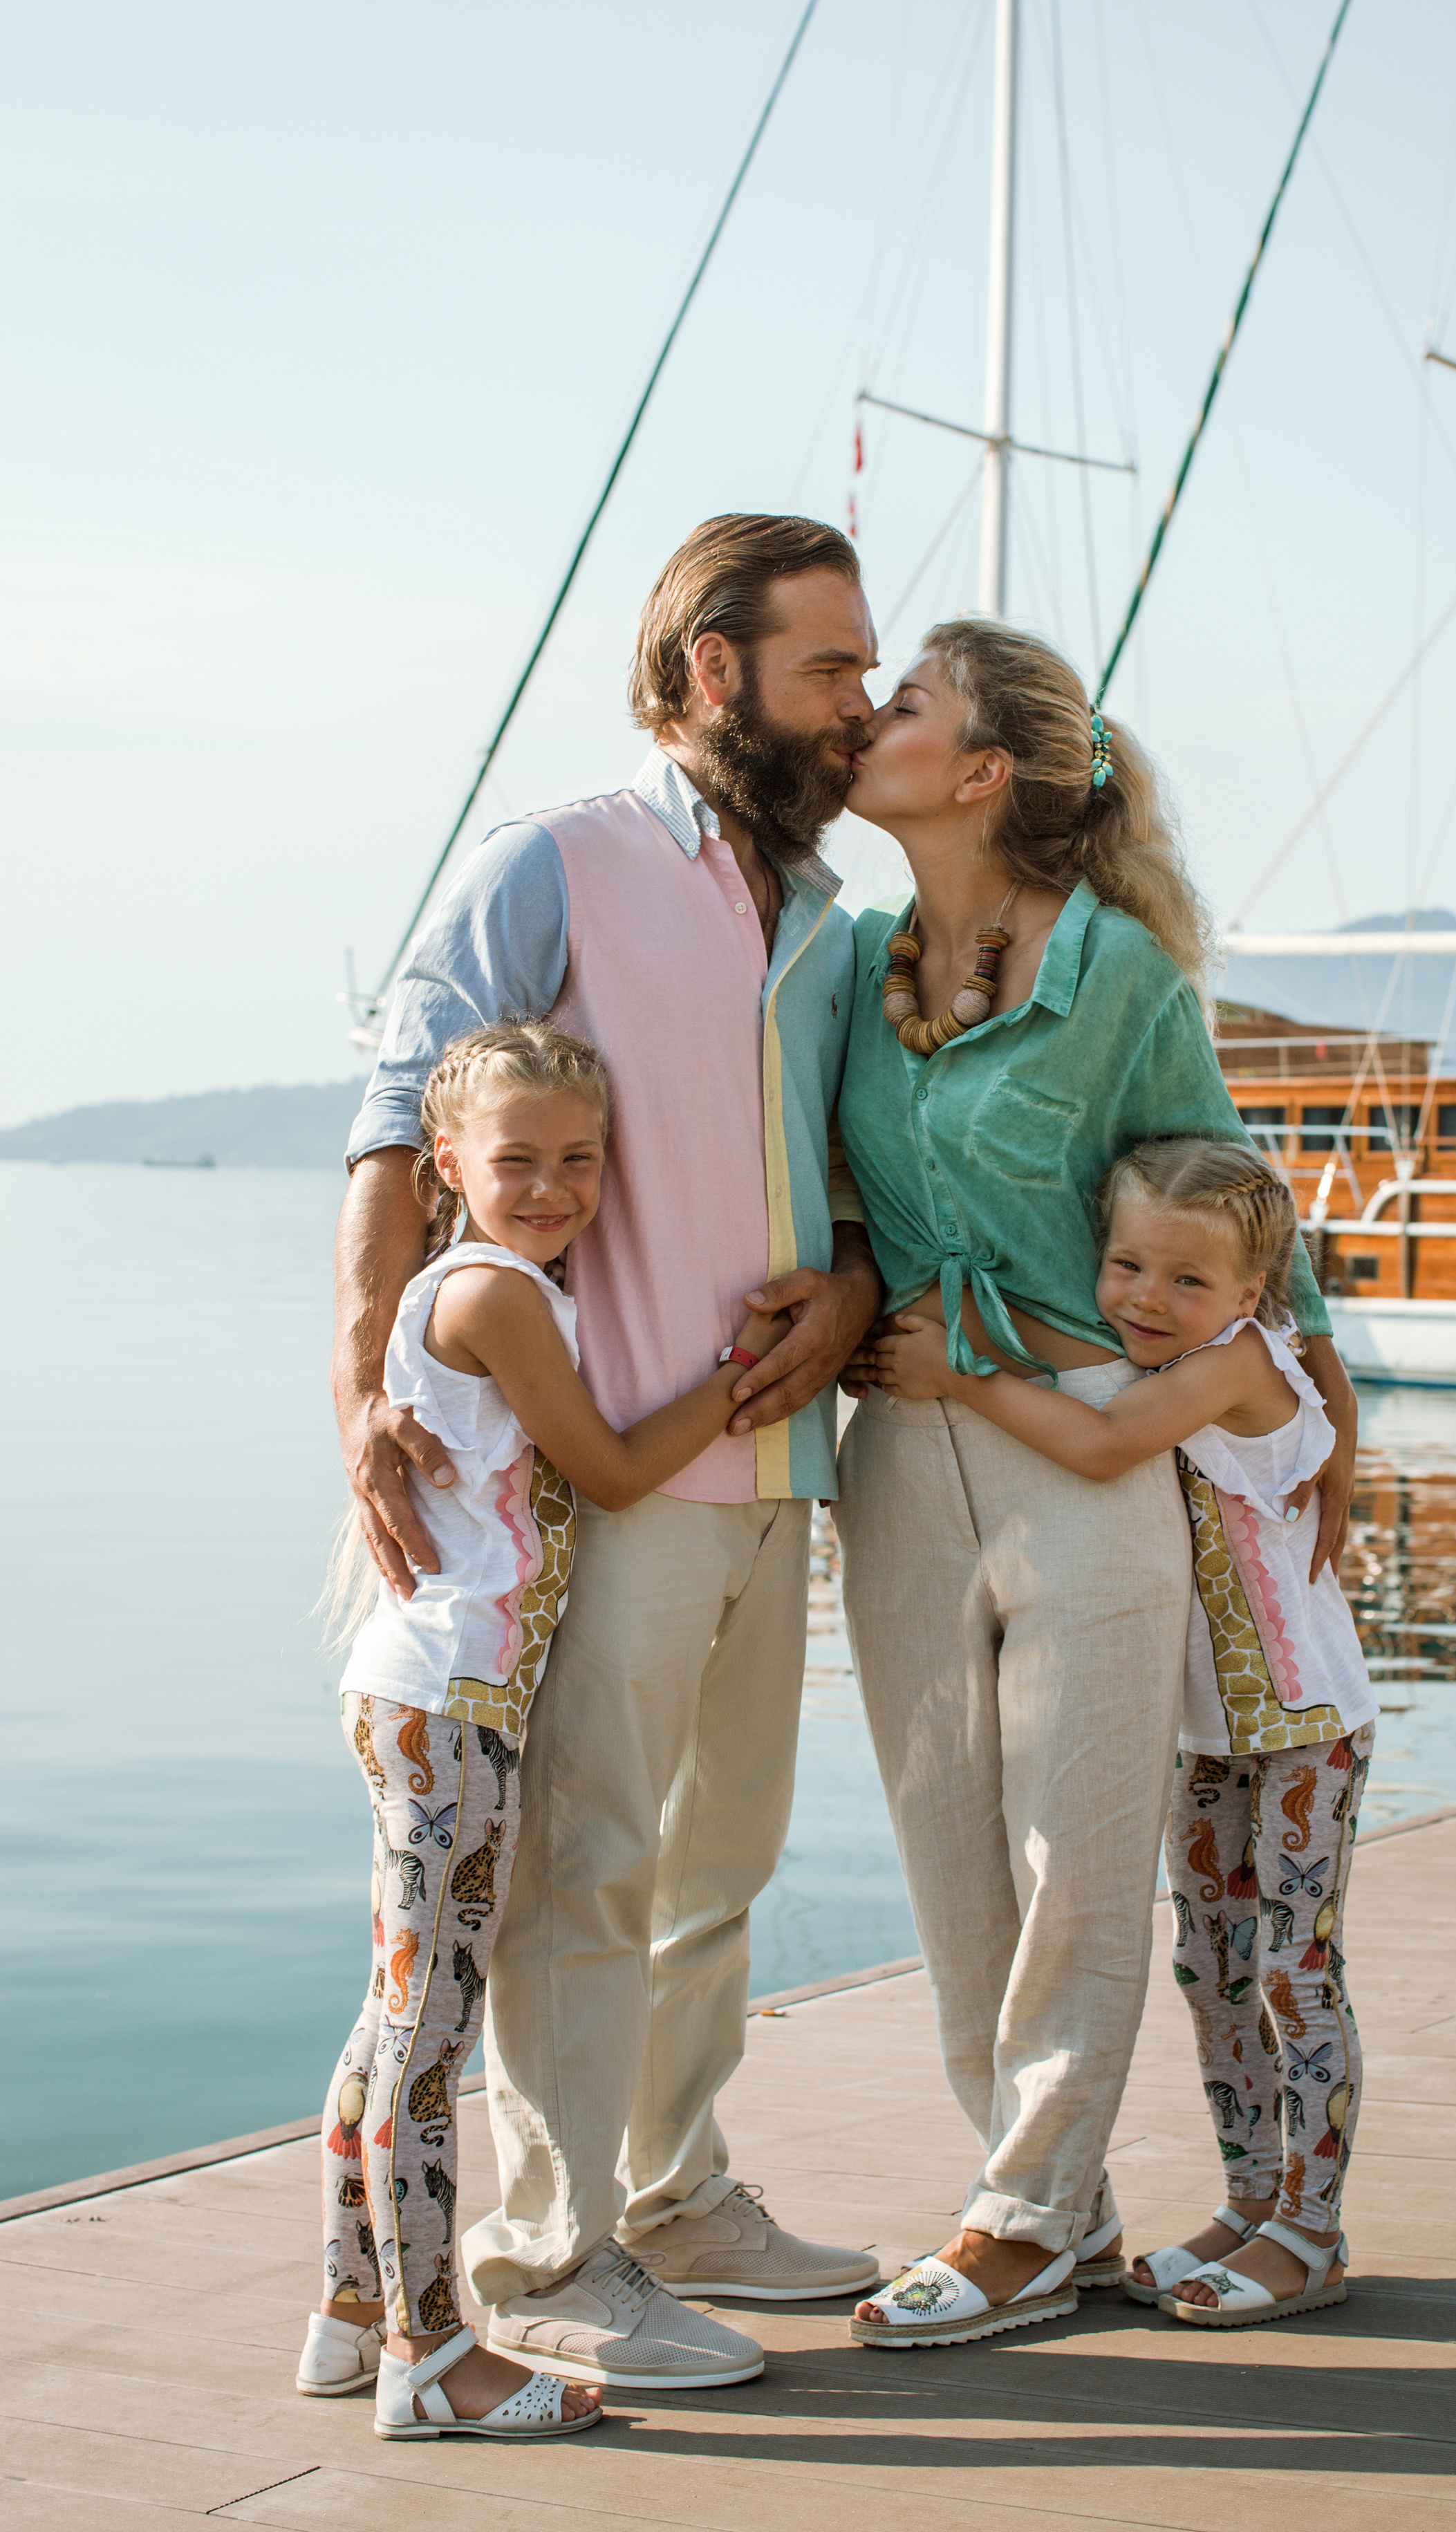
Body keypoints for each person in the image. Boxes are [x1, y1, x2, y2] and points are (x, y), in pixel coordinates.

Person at [333, 517, 884, 2394]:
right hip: (614, 1476)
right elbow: (403, 1098)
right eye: (830, 670)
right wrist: (361, 1378)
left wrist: (855, 1291)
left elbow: (836, 1167)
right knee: (591, 1869)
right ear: (716, 670)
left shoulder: (821, 915)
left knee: (719, 1861)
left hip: (778, 1462)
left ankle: (674, 2189)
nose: (859, 708)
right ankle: (540, 2259)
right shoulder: (556, 855)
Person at [825, 617, 1357, 2350]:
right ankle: (1048, 2204)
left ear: (980, 771)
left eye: (901, 703)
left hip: (1080, 1443)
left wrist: (1326, 1416)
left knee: (1075, 1848)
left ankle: (1017, 2218)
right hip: (896, 1449)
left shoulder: (1115, 970)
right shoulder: (847, 961)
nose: (867, 717)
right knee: (948, 1852)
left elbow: (1238, 1200)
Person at [304, 1019, 792, 2437]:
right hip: (446, 1697)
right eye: (516, 1159)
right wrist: (744, 1372)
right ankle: (432, 2360)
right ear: (444, 1163)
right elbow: (617, 1469)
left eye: (581, 1160)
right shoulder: (489, 1295)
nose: (553, 1186)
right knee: (428, 2030)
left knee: (396, 2016)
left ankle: (350, 2314)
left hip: (444, 1697)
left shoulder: (511, 1286)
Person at [868, 1134, 1376, 2331]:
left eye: (1187, 1282)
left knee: (1295, 1972)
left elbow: (1098, 1442)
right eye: (1127, 1266)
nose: (1148, 1300)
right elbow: (1071, 1348)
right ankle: (1250, 2203)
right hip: (1206, 1734)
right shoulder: (1171, 1346)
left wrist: (959, 1378)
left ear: (1253, 1296)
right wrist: (960, 1326)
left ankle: (1313, 2231)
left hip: (1303, 1725)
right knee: (1213, 1971)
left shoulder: (1238, 1361)